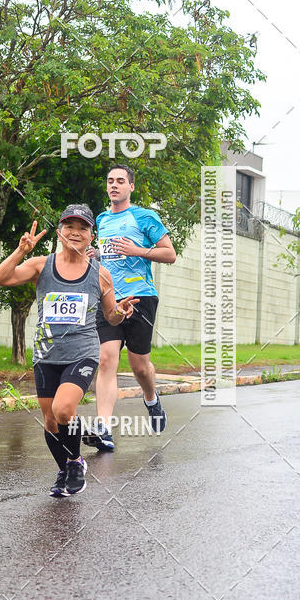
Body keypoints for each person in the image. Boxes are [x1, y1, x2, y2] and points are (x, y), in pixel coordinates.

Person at [0, 204, 138, 497]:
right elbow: (1, 279)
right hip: (46, 353)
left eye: (83, 227)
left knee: (63, 409)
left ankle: (75, 461)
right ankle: (64, 471)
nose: (75, 232)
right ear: (59, 232)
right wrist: (21, 250)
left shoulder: (101, 274)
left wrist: (121, 313)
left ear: (91, 236)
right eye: (69, 226)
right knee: (50, 420)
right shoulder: (40, 264)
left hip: (82, 352)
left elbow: (110, 317)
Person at [84, 165, 176, 452]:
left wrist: (138, 250)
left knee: (139, 366)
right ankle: (103, 429)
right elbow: (109, 253)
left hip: (140, 298)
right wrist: (96, 255)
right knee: (106, 359)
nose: (114, 185)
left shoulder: (144, 217)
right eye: (110, 181)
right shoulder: (101, 218)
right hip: (109, 298)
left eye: (120, 181)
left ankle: (151, 398)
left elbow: (170, 254)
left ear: (131, 187)